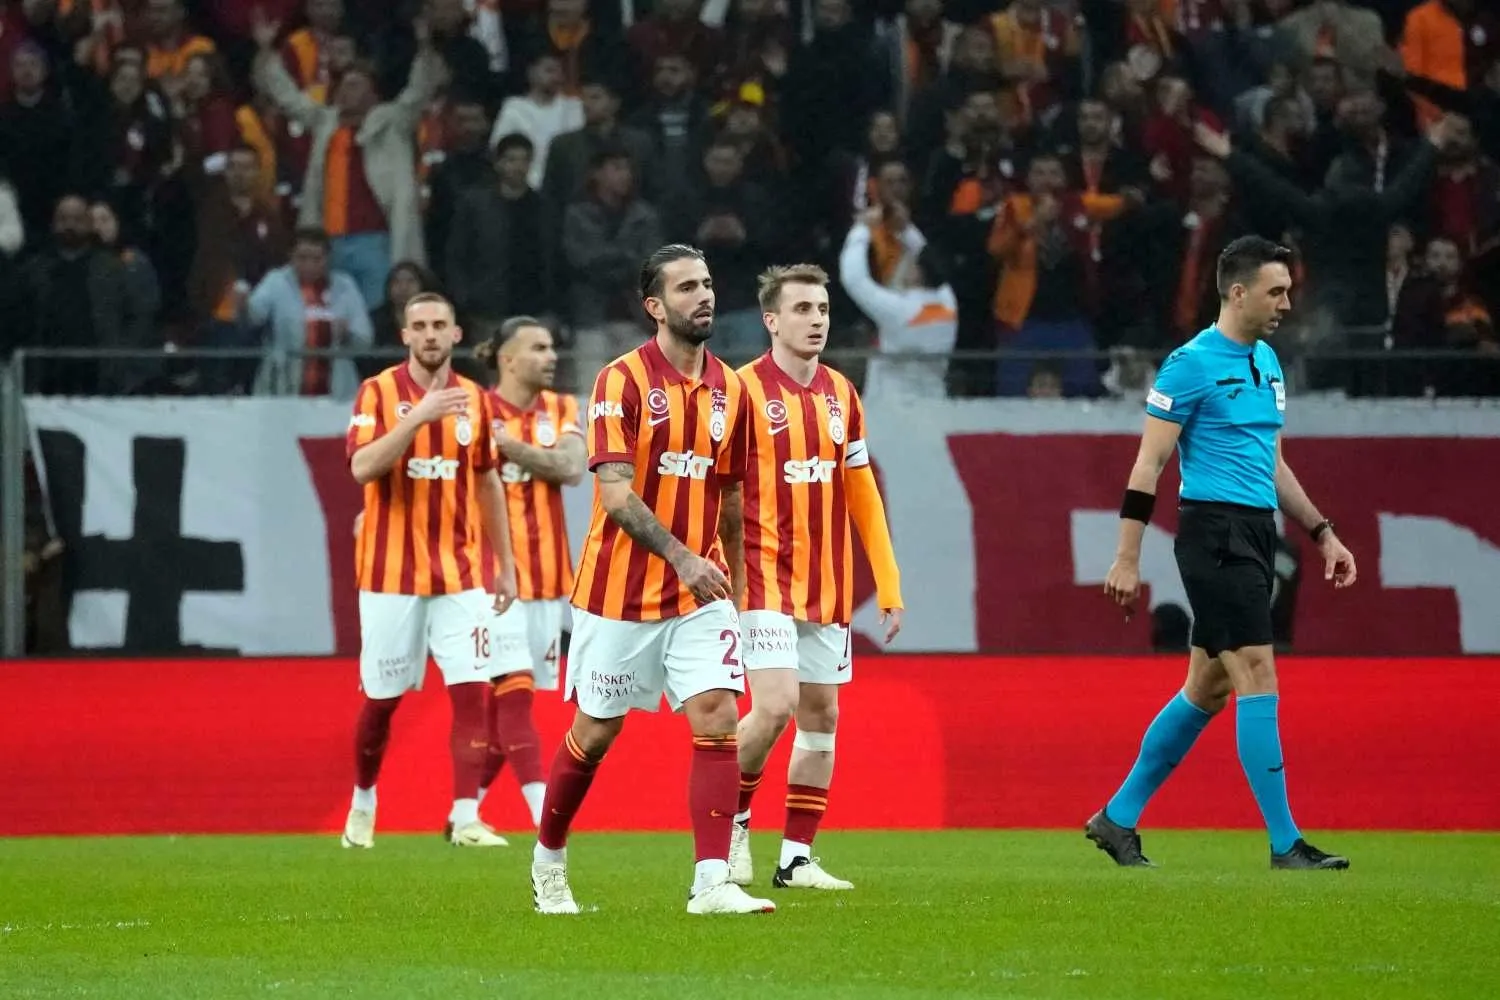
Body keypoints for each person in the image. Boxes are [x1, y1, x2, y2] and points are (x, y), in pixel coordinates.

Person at [1092, 236, 1358, 870]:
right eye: (1276, 291)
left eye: (1288, 292)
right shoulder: (1188, 365)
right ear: (1238, 293)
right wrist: (1127, 558)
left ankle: (1116, 819)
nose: (1286, 304)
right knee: (1258, 672)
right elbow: (1149, 464)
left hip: (1258, 532)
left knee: (1207, 687)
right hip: (1213, 535)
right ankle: (1285, 843)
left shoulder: (1268, 362)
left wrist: (1322, 532)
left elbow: (1273, 465)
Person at [529, 244, 775, 916]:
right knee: (595, 733)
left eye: (708, 283)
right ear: (655, 306)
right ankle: (548, 859)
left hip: (701, 595)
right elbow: (614, 494)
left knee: (718, 715)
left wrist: (737, 588)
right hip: (620, 593)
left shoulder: (731, 390)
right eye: (687, 287)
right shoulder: (621, 381)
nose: (705, 295)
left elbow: (730, 494)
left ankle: (711, 883)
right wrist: (683, 557)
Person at [725, 263, 904, 891]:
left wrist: (888, 582)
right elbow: (716, 490)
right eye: (802, 309)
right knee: (773, 706)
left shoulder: (842, 395)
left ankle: (796, 858)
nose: (817, 320)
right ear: (771, 321)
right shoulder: (739, 392)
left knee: (822, 716)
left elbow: (862, 493)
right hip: (760, 578)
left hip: (825, 583)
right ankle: (731, 824)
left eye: (823, 309)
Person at [342, 291, 519, 849]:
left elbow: (488, 481)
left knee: (473, 692)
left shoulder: (476, 400)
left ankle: (465, 817)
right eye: (419, 326)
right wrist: (417, 417)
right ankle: (363, 802)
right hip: (389, 576)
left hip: (459, 574)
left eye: (440, 324)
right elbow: (362, 467)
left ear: (456, 334)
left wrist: (505, 564)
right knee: (382, 700)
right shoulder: (378, 392)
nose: (430, 334)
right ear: (405, 336)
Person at [470, 316, 586, 832]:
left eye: (551, 346)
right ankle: (545, 820)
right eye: (538, 348)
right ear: (508, 359)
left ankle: (463, 812)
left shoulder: (561, 409)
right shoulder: (474, 409)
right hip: (492, 578)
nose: (551, 356)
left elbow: (571, 468)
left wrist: (506, 446)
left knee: (510, 705)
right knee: (514, 693)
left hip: (547, 581)